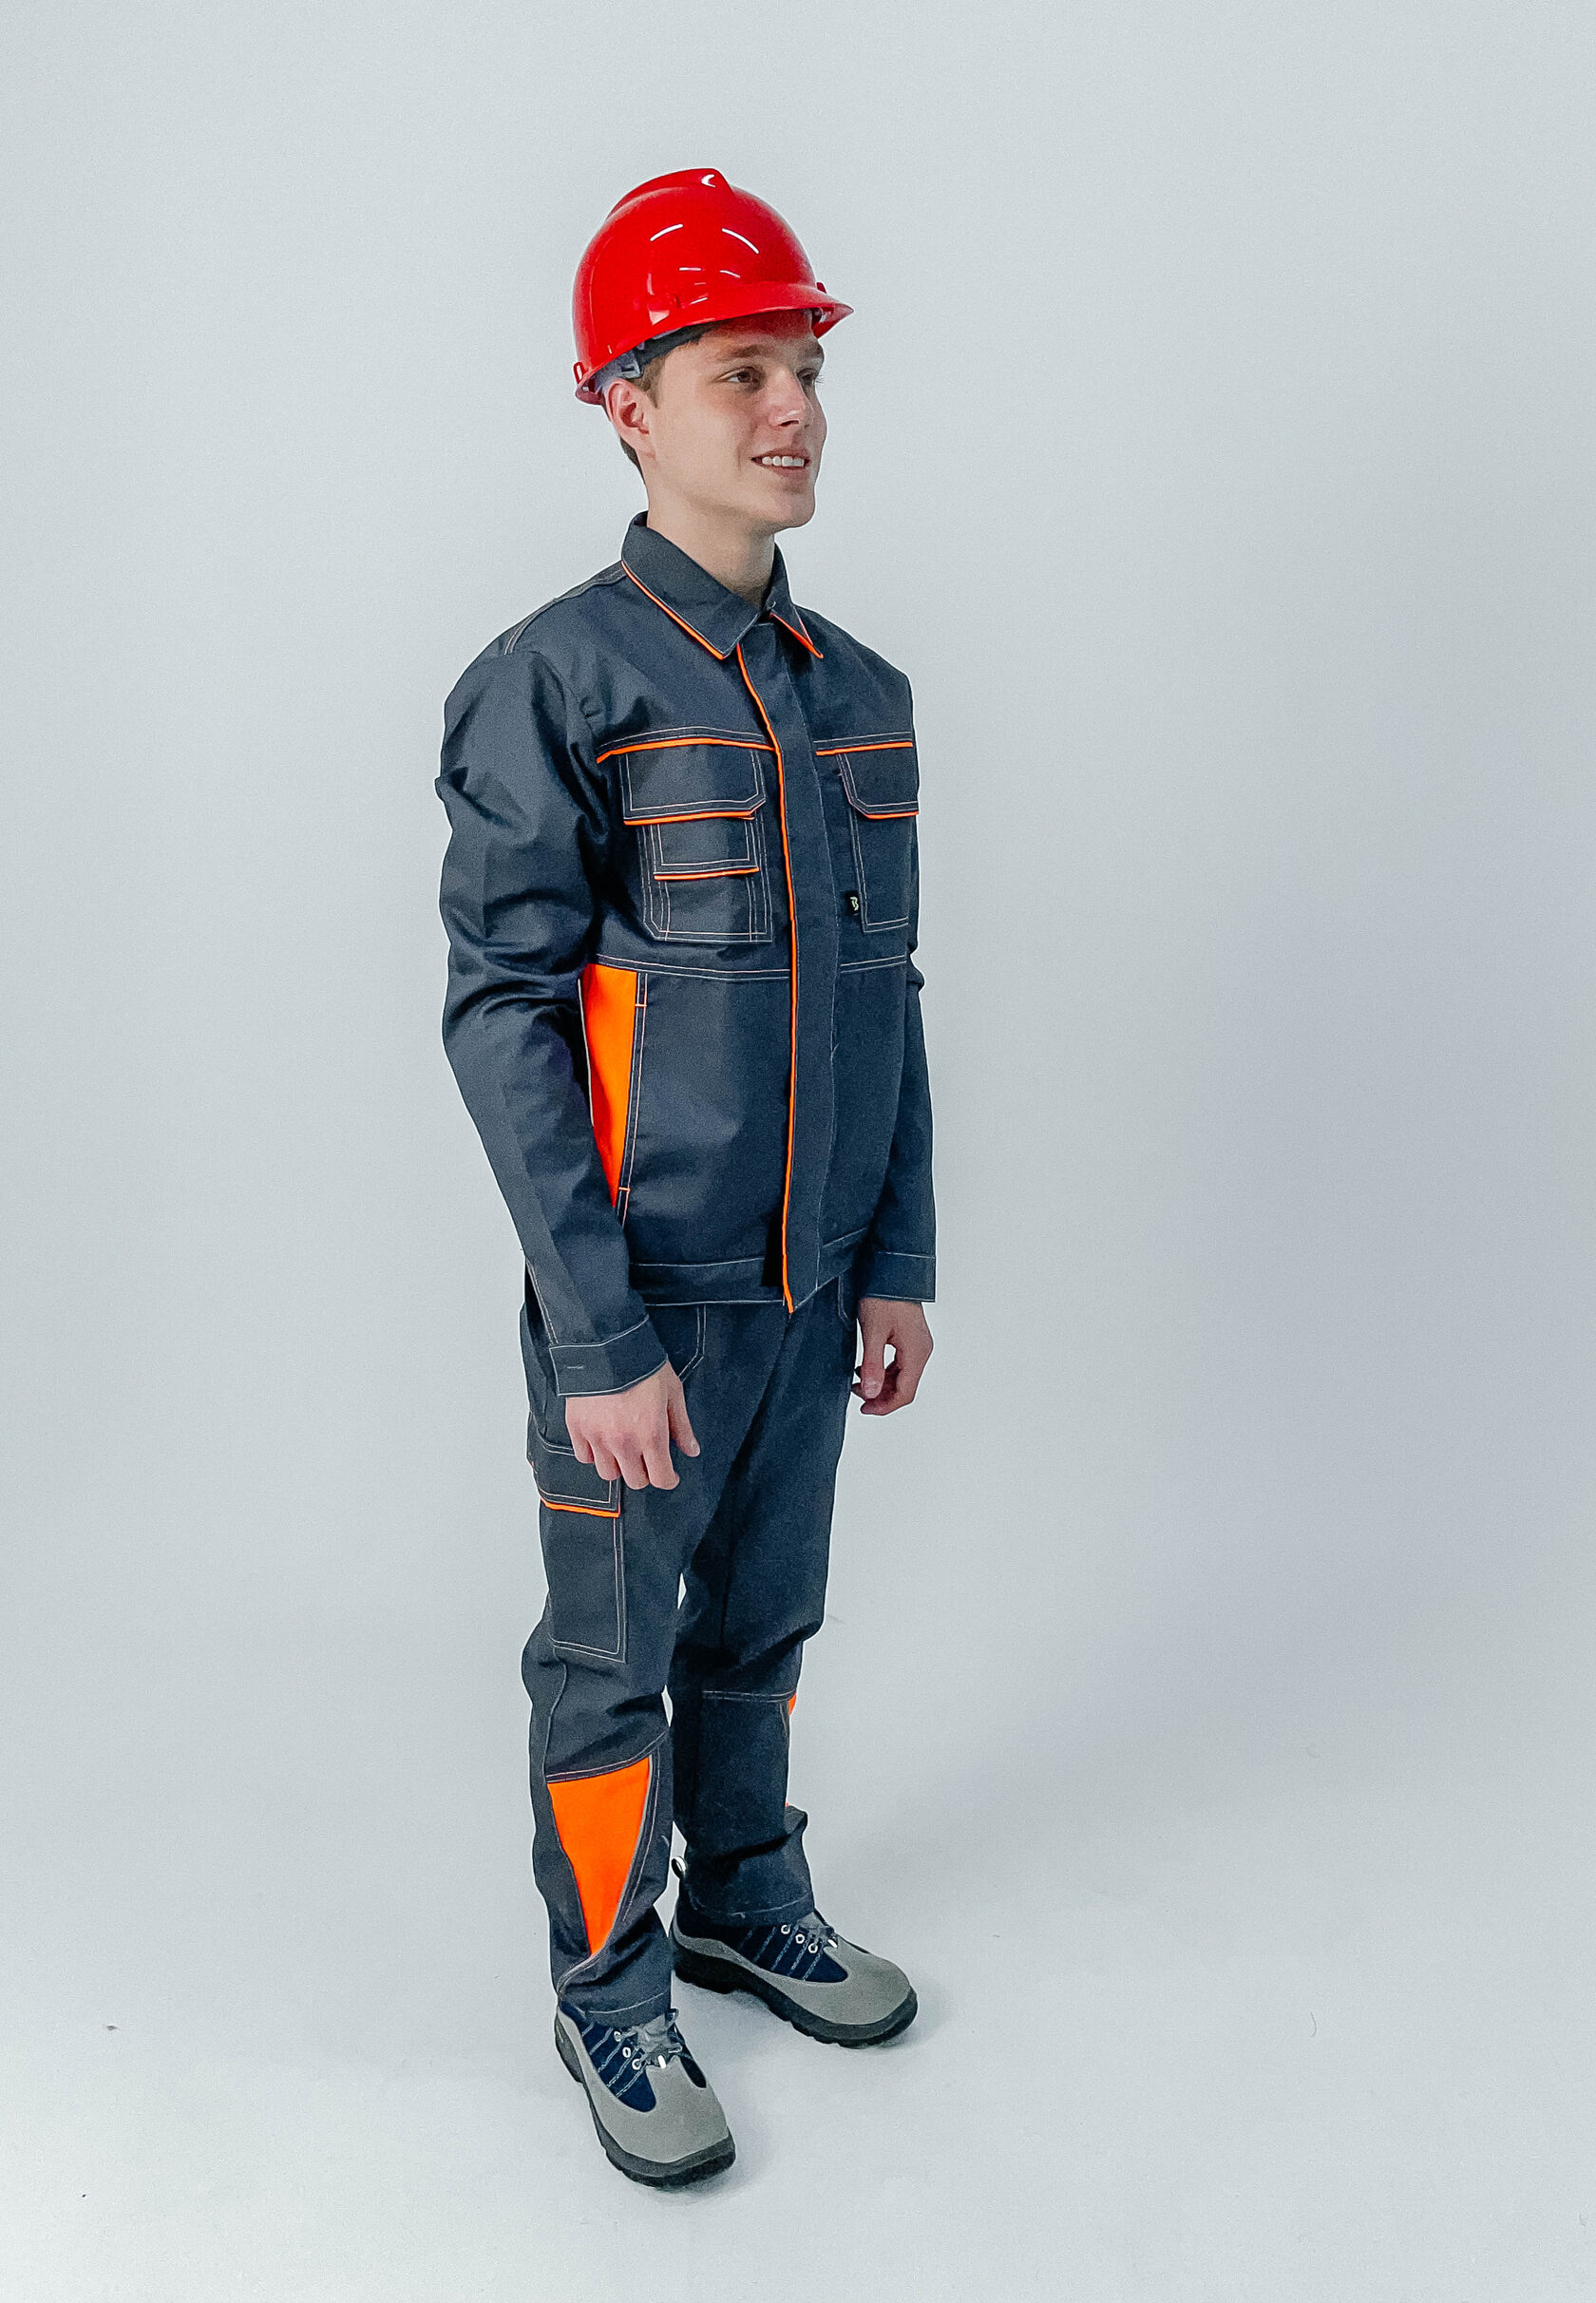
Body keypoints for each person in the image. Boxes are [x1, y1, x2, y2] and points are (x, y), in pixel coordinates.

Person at [435, 168, 936, 2188]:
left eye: (805, 366)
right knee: (610, 1660)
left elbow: (892, 996)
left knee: (763, 1627)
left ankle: (744, 1894)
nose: (794, 406)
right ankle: (607, 1991)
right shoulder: (556, 683)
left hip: (813, 1293)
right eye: (743, 370)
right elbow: (504, 1023)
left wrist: (897, 1258)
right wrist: (599, 1337)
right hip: (643, 1309)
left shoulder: (863, 697)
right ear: (628, 407)